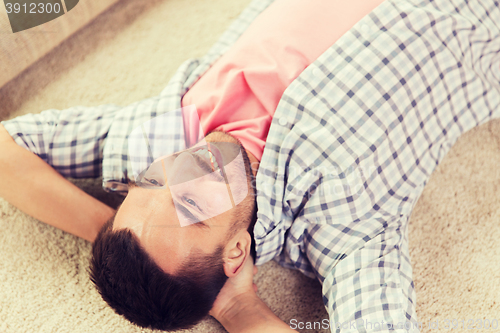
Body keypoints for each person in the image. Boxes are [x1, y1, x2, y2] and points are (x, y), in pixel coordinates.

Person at [1, 0, 499, 331]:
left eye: (153, 179)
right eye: (194, 203)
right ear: (237, 253)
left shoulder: (161, 130)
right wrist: (240, 308)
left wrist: (105, 227)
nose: (189, 164)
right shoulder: (344, 228)